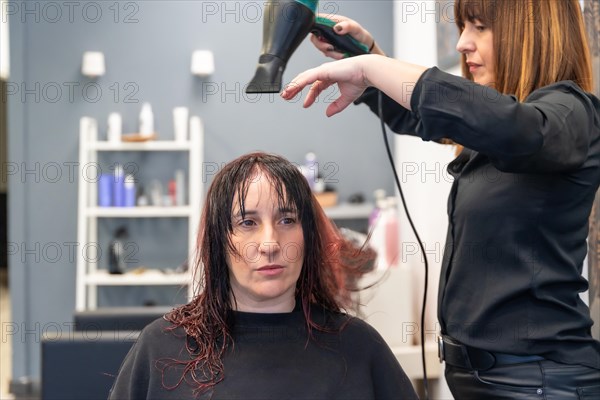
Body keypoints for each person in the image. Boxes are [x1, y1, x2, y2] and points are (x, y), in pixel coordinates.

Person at [281, 0, 600, 398]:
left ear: (530, 32)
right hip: (484, 380)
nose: (463, 43)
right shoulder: (496, 131)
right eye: (463, 27)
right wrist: (370, 60)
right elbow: (432, 115)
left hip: (539, 383)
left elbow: (511, 128)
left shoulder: (571, 115)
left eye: (479, 27)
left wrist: (371, 69)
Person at [108, 151, 419, 399]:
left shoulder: (359, 348)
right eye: (247, 223)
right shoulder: (162, 349)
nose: (270, 244)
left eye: (286, 220)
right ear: (219, 241)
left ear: (307, 235)